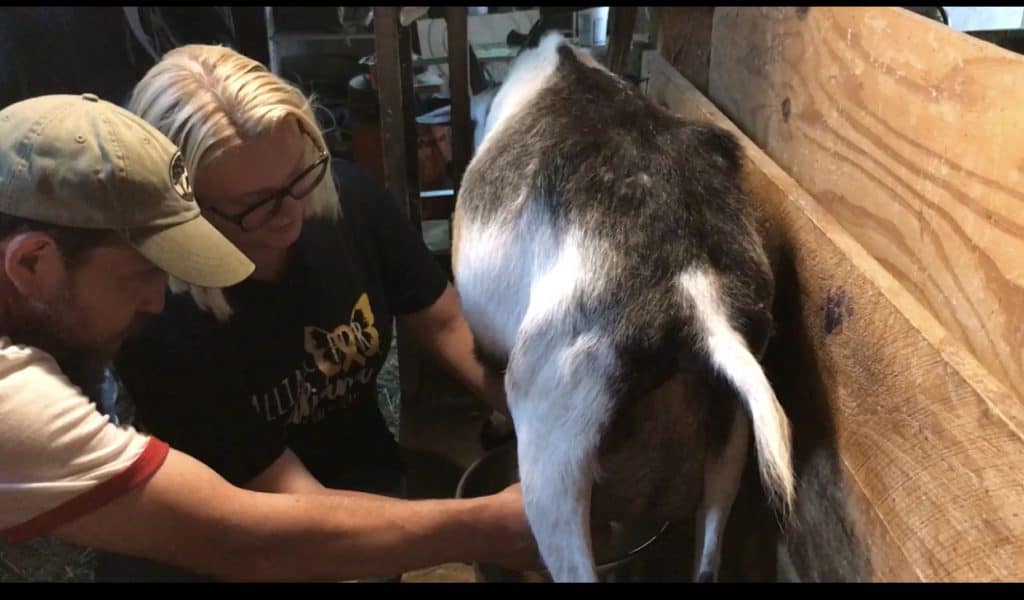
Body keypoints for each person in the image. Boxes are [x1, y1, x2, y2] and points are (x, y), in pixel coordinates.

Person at [0, 92, 535, 582]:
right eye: (139, 276)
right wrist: (486, 526)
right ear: (31, 263)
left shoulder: (346, 201)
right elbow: (236, 533)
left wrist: (543, 415)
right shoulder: (17, 401)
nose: (157, 300)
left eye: (299, 179)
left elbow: (442, 319)